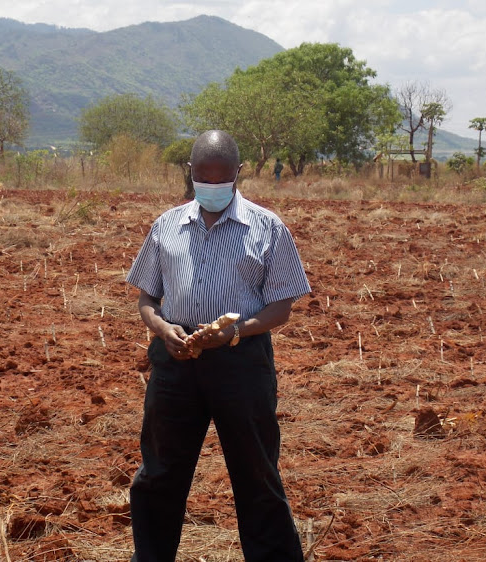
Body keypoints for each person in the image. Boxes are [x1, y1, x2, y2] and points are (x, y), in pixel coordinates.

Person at [126, 130, 311, 562]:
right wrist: (161, 328)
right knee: (159, 473)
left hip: (240, 361)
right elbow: (147, 299)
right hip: (176, 360)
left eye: (221, 177)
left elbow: (280, 308)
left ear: (238, 174)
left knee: (256, 472)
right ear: (190, 174)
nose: (212, 185)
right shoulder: (166, 225)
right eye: (203, 177)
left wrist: (235, 331)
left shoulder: (268, 228)